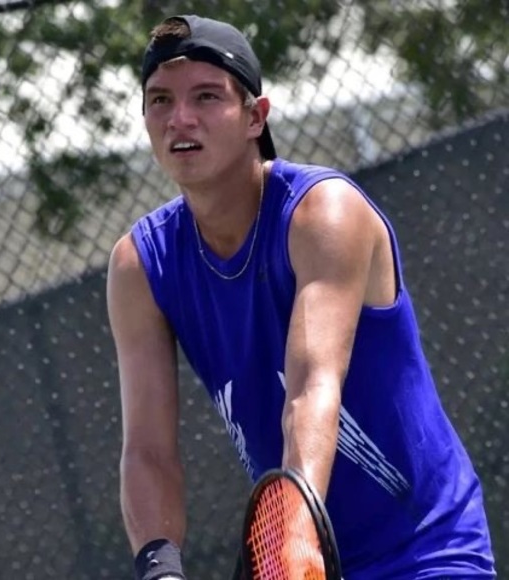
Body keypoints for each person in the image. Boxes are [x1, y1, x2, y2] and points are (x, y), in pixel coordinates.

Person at [106, 13, 497, 580]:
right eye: (160, 100)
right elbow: (147, 449)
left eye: (207, 96)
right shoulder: (140, 266)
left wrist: (293, 535)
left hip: (426, 551)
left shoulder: (323, 212)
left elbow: (312, 387)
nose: (180, 118)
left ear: (255, 117)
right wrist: (159, 568)